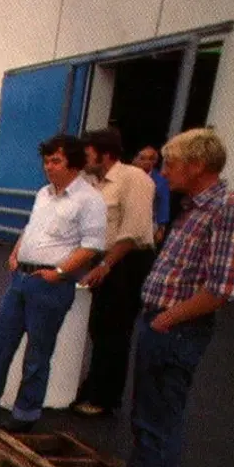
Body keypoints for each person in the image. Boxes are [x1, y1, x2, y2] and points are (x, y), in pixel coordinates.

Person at [0, 135, 106, 433]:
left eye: (56, 161)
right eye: (46, 161)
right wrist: (16, 251)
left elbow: (91, 246)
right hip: (21, 278)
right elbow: (31, 227)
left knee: (37, 352)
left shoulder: (89, 200)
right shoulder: (44, 194)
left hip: (50, 284)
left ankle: (25, 413)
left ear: (73, 162)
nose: (49, 167)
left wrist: (60, 271)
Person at [124, 128, 234, 467]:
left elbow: (220, 289)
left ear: (198, 165)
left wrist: (168, 319)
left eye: (171, 164)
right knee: (145, 416)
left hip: (177, 330)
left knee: (159, 421)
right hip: (161, 324)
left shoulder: (225, 210)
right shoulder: (191, 208)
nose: (164, 171)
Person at [70, 128, 158, 417]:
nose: (84, 159)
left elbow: (133, 231)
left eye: (88, 154)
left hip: (126, 263)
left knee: (115, 330)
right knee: (99, 327)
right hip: (105, 260)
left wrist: (107, 265)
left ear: (105, 154)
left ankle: (105, 399)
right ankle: (93, 388)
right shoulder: (96, 183)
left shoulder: (134, 179)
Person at [132, 144, 173, 245]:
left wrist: (161, 228)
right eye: (142, 158)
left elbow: (163, 204)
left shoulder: (161, 181)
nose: (147, 162)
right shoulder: (127, 175)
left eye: (151, 159)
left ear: (155, 161)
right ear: (135, 159)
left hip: (148, 225)